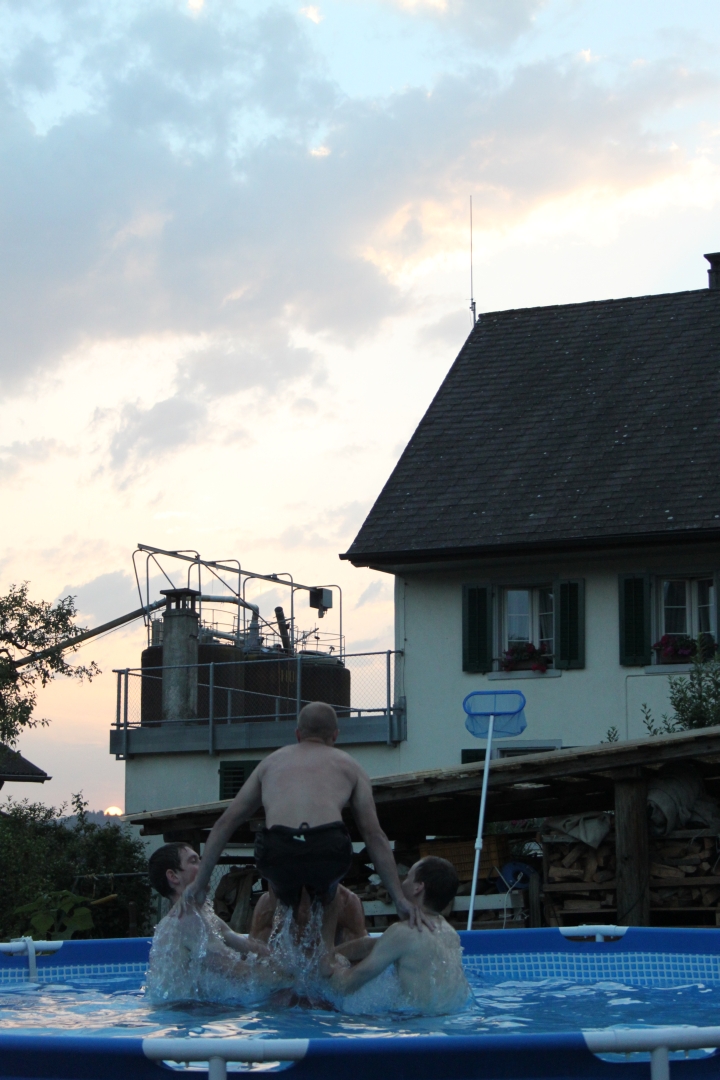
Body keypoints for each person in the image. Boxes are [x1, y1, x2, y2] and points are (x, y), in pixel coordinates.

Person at [183, 701, 432, 951]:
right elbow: (373, 834)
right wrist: (399, 899)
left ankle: (282, 954)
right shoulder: (350, 766)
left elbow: (225, 823)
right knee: (330, 893)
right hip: (327, 847)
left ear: (297, 734)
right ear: (335, 735)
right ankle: (325, 956)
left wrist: (199, 885)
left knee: (281, 896)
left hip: (278, 848)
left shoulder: (270, 763)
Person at [145, 842, 292, 1003]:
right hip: (182, 1012)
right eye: (194, 861)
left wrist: (284, 961)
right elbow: (236, 969)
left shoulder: (202, 914)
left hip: (189, 1009)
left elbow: (246, 944)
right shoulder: (185, 920)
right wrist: (292, 979)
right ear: (173, 876)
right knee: (288, 998)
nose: (205, 867)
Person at [326, 857, 471, 1015]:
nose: (403, 882)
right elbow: (377, 944)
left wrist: (328, 970)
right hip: (452, 1017)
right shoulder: (449, 932)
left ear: (418, 887)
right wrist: (332, 953)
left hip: (417, 1023)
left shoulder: (402, 932)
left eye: (408, 876)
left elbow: (347, 985)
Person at [250, 883, 368, 946]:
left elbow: (360, 966)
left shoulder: (347, 904)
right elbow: (253, 965)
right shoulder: (266, 907)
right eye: (296, 899)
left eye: (312, 897)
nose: (304, 909)